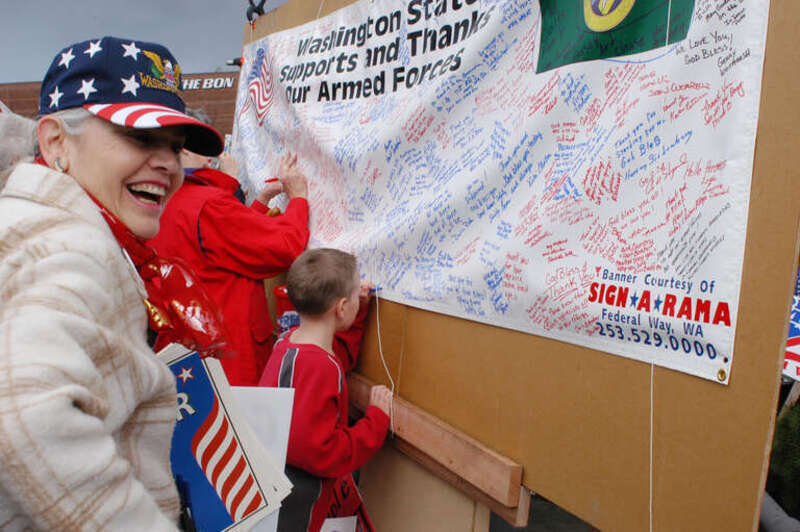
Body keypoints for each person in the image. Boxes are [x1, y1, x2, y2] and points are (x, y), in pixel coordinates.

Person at [0, 36, 225, 529]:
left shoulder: (50, 224)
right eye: (141, 138)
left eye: (174, 146)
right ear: (56, 141)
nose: (169, 163)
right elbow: (24, 419)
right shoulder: (68, 243)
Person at [148, 110, 310, 386]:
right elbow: (284, 248)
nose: (211, 157)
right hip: (229, 361)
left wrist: (259, 203)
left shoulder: (162, 198)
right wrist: (298, 199)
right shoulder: (207, 204)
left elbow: (223, 246)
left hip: (191, 353)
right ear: (183, 152)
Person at [258, 248, 392, 532]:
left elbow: (333, 357)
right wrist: (376, 421)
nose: (361, 296)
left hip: (269, 493)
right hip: (295, 510)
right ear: (342, 307)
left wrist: (358, 311)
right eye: (357, 294)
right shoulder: (323, 367)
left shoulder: (288, 343)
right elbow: (325, 454)